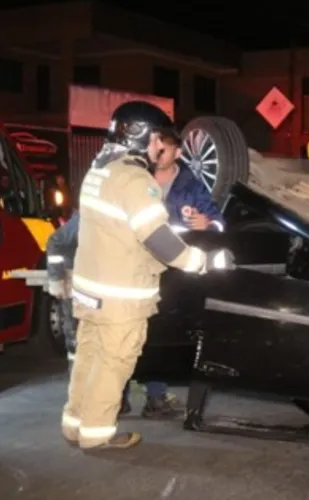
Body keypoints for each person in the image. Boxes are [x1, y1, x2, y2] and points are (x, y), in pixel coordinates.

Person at [54, 100, 229, 451]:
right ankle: (98, 434)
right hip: (120, 295)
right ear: (140, 136)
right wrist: (198, 262)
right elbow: (156, 237)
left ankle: (75, 423)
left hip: (91, 290)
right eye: (157, 140)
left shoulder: (99, 172)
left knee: (88, 357)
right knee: (114, 363)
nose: (159, 148)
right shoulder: (134, 179)